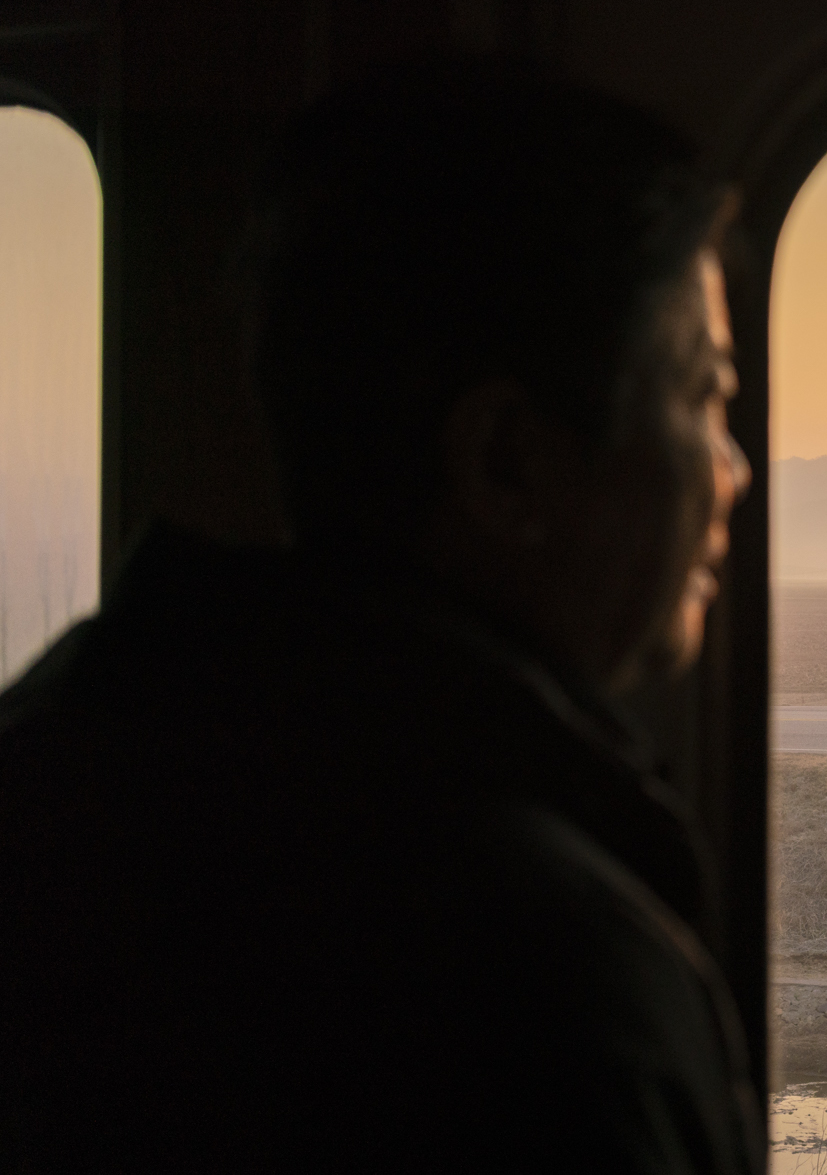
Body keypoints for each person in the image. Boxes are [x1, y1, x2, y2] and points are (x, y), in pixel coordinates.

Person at [0, 60, 762, 1172]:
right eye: (701, 396)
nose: (733, 470)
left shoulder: (62, 771)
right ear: (504, 462)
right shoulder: (543, 988)